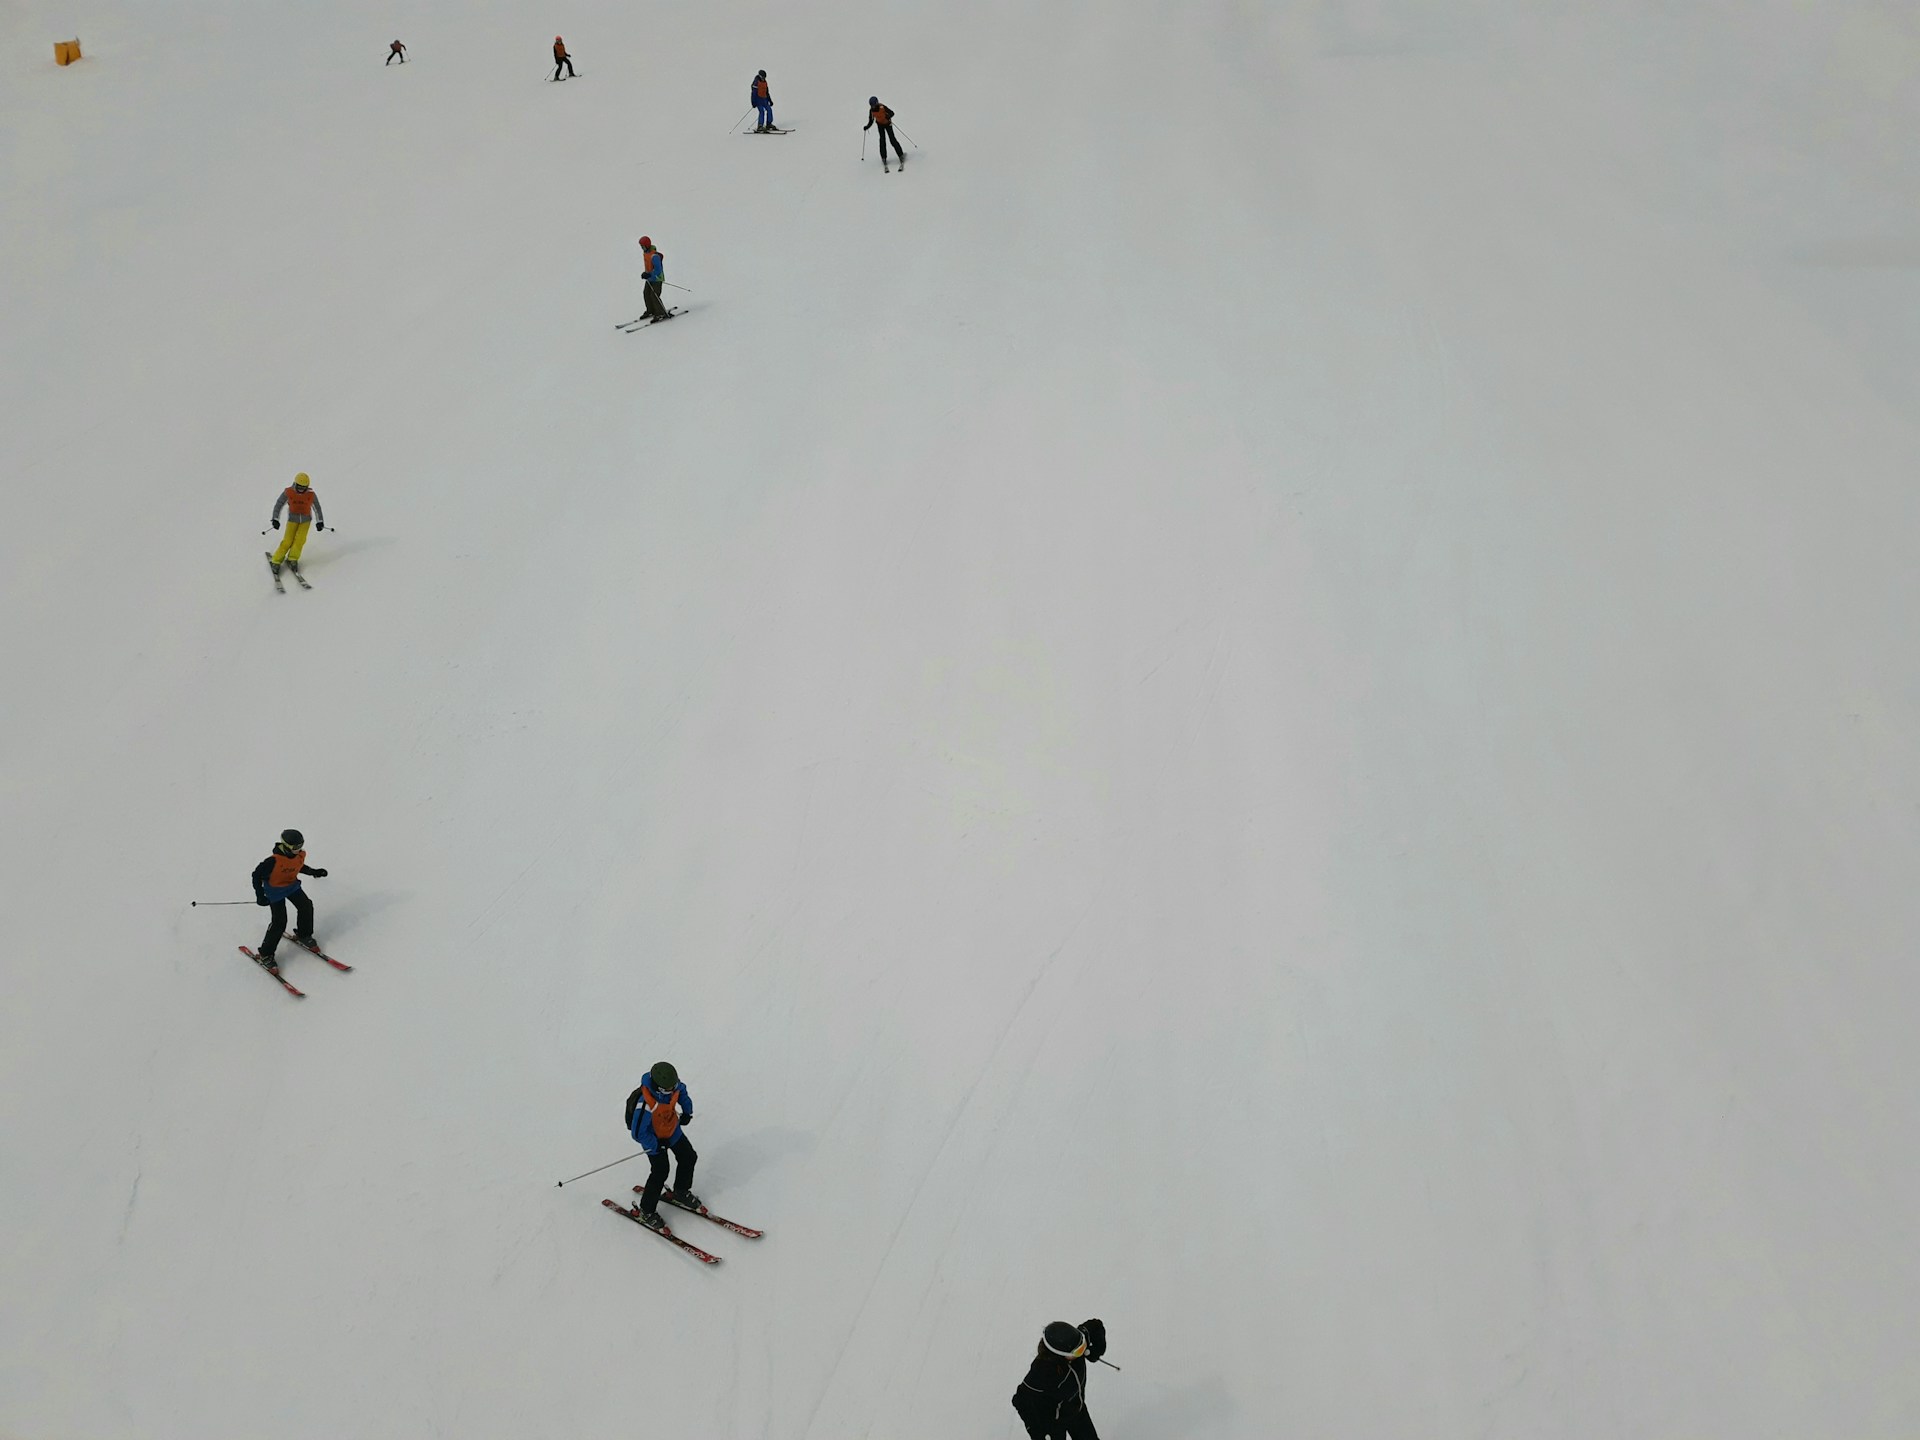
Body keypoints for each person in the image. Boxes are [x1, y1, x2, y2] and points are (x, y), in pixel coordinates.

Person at [625, 1062, 698, 1229]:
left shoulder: (673, 1087)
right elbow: (638, 1133)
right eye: (667, 1090)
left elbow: (682, 1093)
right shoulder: (644, 1105)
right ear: (658, 1088)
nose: (672, 1091)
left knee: (688, 1157)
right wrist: (656, 1144)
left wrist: (687, 1112)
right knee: (661, 1171)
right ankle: (646, 1210)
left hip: (671, 1130)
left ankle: (681, 1191)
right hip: (653, 1140)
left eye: (673, 1087)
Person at [1012, 1319, 1108, 1440]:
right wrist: (1038, 1432)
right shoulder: (1043, 1372)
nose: (1082, 1350)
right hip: (1054, 1422)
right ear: (1059, 1354)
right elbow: (1020, 1400)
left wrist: (1096, 1349)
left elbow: (1096, 1325)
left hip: (1077, 1410)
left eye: (1083, 1345)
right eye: (1078, 1351)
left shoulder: (1075, 1342)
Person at [250, 829, 328, 972]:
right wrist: (260, 895)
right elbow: (256, 875)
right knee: (279, 921)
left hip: (292, 886)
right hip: (275, 891)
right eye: (295, 847)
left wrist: (314, 872)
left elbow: (298, 866)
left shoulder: (298, 855)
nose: (299, 850)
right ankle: (265, 954)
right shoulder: (272, 861)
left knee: (306, 906)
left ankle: (304, 934)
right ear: (286, 846)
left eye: (301, 846)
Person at [267, 472, 325, 578]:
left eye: (304, 488)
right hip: (292, 520)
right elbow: (279, 504)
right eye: (299, 487)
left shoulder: (311, 494)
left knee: (300, 540)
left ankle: (293, 559)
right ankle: (276, 560)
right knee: (287, 541)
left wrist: (320, 521)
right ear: (295, 484)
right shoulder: (288, 492)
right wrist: (275, 519)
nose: (301, 490)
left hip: (306, 520)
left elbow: (317, 507)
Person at [637, 236, 672, 322]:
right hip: (650, 279)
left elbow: (658, 270)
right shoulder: (646, 253)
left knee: (654, 296)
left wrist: (649, 275)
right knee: (646, 293)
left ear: (647, 245)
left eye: (643, 246)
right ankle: (651, 310)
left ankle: (660, 313)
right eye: (641, 247)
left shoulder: (654, 256)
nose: (642, 248)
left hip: (657, 279)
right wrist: (645, 274)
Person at [865, 96, 904, 169]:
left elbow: (892, 113)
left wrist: (888, 116)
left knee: (892, 140)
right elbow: (871, 120)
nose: (873, 107)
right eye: (871, 105)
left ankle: (900, 154)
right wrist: (867, 126)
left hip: (887, 124)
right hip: (880, 125)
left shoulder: (882, 107)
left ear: (877, 103)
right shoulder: (871, 111)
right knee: (882, 141)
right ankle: (883, 157)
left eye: (874, 105)